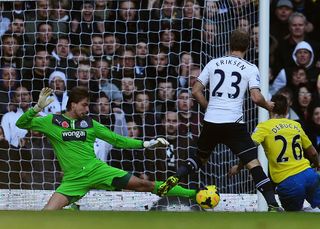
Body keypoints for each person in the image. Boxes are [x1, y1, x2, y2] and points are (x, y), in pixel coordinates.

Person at [157, 29, 283, 211]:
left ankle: (176, 176)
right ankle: (272, 204)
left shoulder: (213, 63)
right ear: (247, 46)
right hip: (234, 123)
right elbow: (255, 97)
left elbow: (195, 90)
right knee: (253, 163)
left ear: (229, 44)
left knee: (199, 159)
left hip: (211, 121)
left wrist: (209, 107)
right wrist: (268, 106)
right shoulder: (249, 67)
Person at [15, 86, 198, 210]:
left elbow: (118, 140)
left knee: (145, 184)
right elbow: (21, 123)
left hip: (98, 170)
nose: (87, 109)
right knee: (47, 213)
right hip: (73, 180)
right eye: (84, 105)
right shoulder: (51, 121)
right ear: (73, 104)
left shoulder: (90, 124)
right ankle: (73, 209)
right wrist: (37, 107)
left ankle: (194, 194)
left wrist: (146, 143)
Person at [229, 94, 320, 211]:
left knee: (292, 219)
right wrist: (317, 165)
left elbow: (249, 150)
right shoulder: (296, 125)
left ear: (270, 107)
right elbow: (312, 153)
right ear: (287, 109)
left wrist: (238, 167)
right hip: (309, 176)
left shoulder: (264, 127)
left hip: (288, 181)